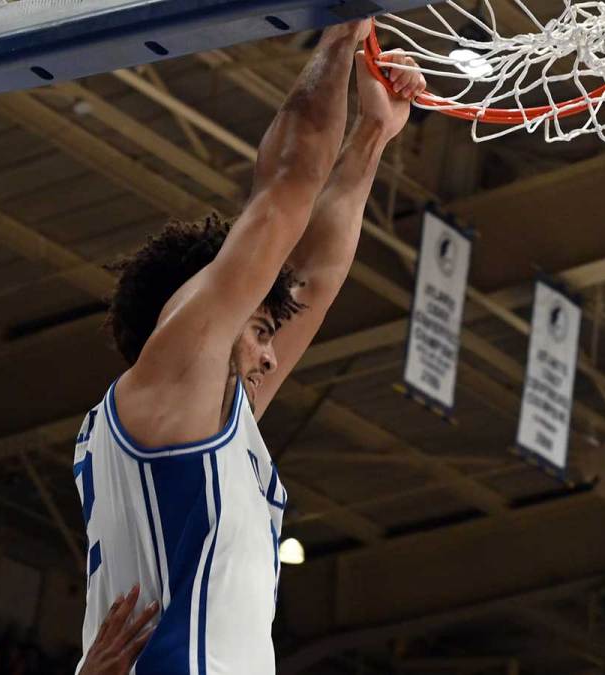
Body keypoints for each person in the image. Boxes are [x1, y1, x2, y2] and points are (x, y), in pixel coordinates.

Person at [70, 18, 425, 674]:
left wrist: (374, 132)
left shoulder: (191, 415)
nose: (271, 354)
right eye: (260, 330)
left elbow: (311, 280)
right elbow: (285, 189)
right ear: (194, 309)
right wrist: (340, 34)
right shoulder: (171, 389)